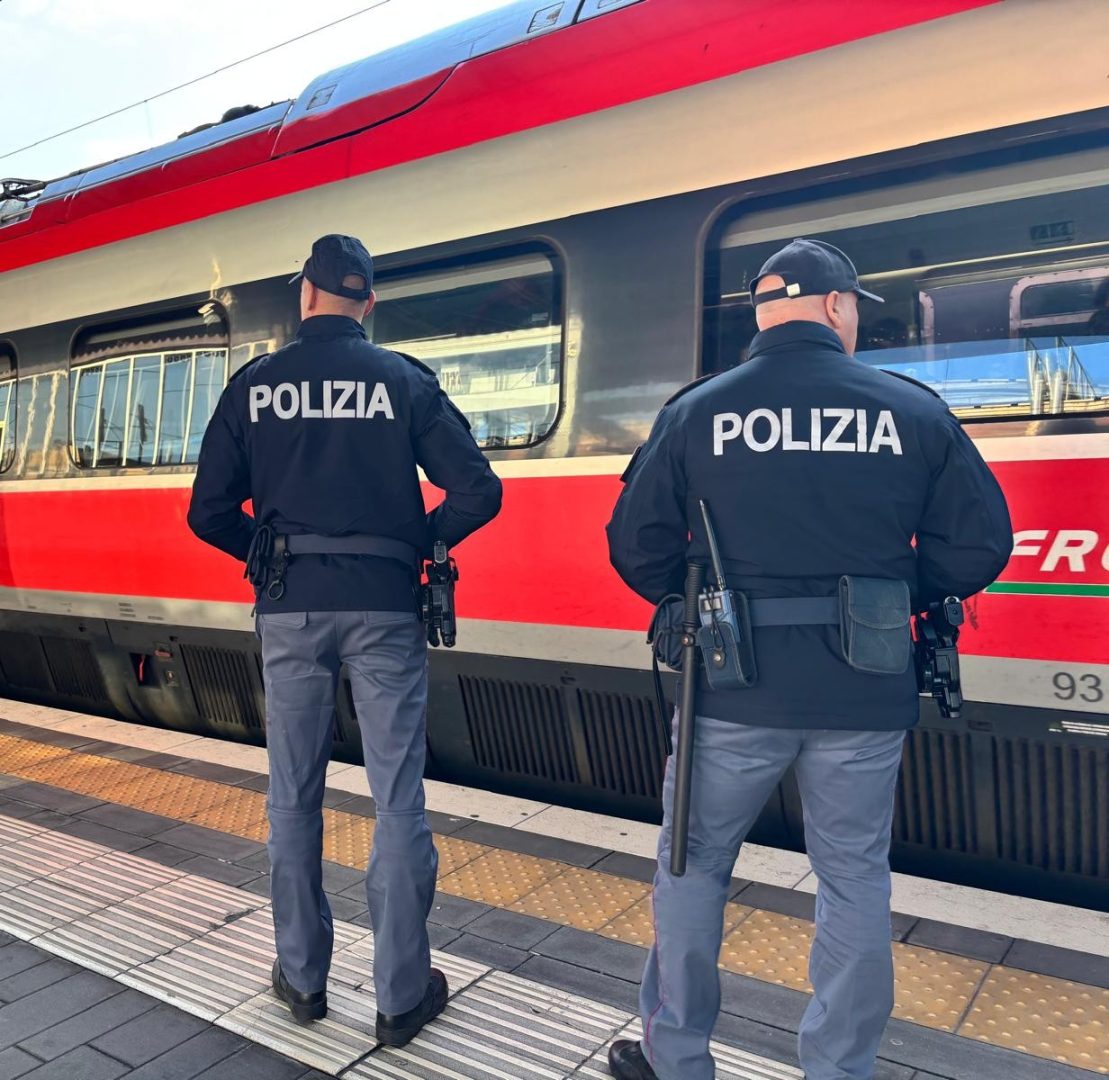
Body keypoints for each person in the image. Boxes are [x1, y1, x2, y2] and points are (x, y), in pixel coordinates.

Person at [604, 238, 1012, 1080]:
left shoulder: (697, 410)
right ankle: (839, 1068)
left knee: (693, 868)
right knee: (853, 877)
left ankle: (675, 1058)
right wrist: (894, 595)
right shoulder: (910, 410)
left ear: (765, 315)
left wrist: (701, 605)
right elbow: (977, 546)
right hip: (864, 689)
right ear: (835, 306)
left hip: (727, 689)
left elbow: (634, 547)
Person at [187, 234, 502, 1043]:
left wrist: (264, 550)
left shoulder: (254, 386)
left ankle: (301, 980)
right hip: (386, 607)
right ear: (369, 303)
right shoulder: (401, 380)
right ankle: (400, 995)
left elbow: (207, 513)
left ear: (305, 295)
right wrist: (417, 541)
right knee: (397, 796)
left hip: (290, 605)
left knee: (293, 793)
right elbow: (478, 490)